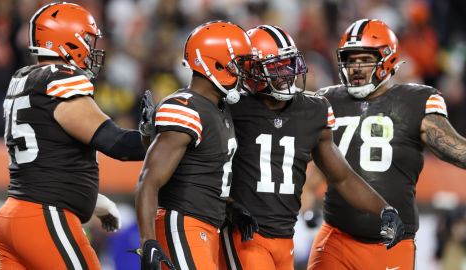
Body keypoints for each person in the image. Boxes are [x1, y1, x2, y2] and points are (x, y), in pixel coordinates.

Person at [220, 25, 404, 270]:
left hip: (285, 235)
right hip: (243, 233)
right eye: (276, 66)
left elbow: (342, 177)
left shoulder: (313, 110)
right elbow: (204, 167)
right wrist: (229, 206)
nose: (287, 73)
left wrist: (383, 208)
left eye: (289, 63)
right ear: (252, 70)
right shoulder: (232, 108)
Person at [0, 3, 145, 269]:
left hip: (13, 214)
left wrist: (93, 201)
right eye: (87, 40)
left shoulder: (23, 78)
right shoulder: (61, 81)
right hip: (43, 217)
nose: (91, 48)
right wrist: (169, 135)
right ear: (67, 40)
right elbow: (119, 144)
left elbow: (45, 159)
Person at [308, 19, 466, 269]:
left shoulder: (416, 100)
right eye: (351, 59)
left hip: (392, 243)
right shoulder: (326, 100)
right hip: (336, 236)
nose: (356, 67)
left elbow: (455, 149)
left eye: (365, 59)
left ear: (387, 59)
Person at [135, 21, 257, 270]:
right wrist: (148, 241)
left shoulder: (218, 107)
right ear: (216, 63)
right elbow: (149, 179)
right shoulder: (186, 106)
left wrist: (228, 206)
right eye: (239, 64)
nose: (244, 72)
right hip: (183, 223)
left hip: (205, 226)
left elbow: (201, 170)